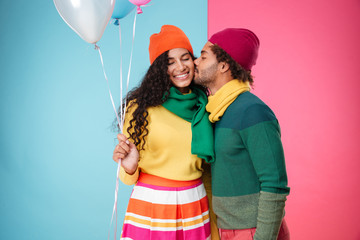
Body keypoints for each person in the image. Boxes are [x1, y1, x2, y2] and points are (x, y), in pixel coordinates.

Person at [112, 25, 217, 240]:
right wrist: (129, 167)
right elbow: (127, 175)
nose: (180, 67)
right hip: (153, 204)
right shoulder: (139, 107)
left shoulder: (205, 104)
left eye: (185, 58)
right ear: (160, 69)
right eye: (170, 62)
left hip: (195, 201)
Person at [193, 28, 290, 240]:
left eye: (203, 56)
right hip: (225, 230)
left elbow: (275, 183)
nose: (195, 62)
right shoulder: (215, 112)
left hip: (254, 231)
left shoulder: (252, 111)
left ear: (223, 65)